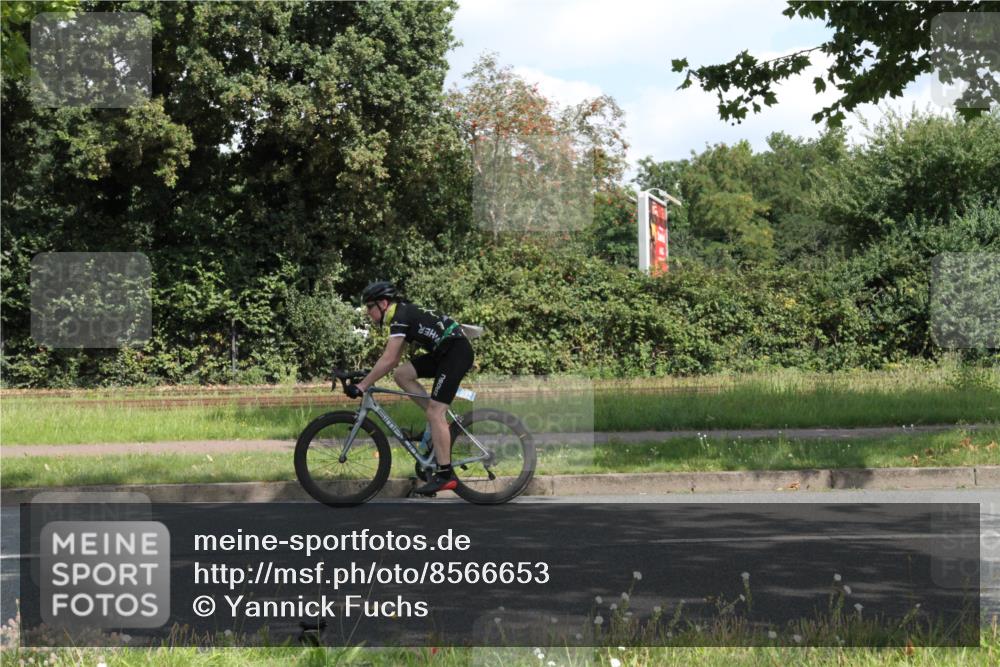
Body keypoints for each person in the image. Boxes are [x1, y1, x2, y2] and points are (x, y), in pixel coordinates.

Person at [347, 281, 475, 494]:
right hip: (445, 352)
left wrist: (362, 386)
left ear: (383, 303)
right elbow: (395, 361)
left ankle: (445, 475)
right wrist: (368, 377)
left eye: (370, 307)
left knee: (436, 412)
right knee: (402, 374)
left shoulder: (400, 317)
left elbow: (388, 359)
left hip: (455, 353)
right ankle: (436, 424)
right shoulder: (402, 314)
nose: (367, 312)